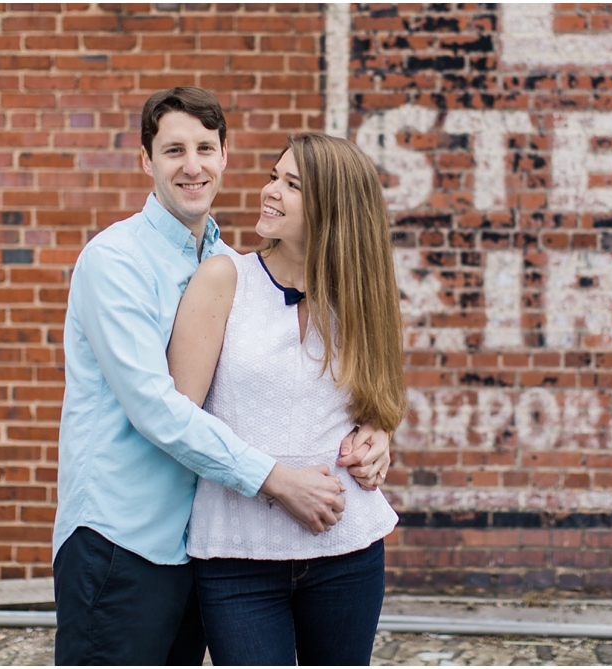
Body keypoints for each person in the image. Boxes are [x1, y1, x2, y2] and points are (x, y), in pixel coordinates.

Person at [52, 88, 392, 665]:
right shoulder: (115, 261)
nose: (192, 166)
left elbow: (295, 388)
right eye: (173, 150)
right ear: (146, 160)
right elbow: (158, 407)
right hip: (120, 538)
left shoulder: (225, 261)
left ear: (224, 155)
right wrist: (277, 480)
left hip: (192, 545)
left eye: (205, 148)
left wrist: (376, 430)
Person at [167, 133, 406, 665]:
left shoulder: (363, 294)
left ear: (332, 207)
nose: (269, 191)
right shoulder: (224, 279)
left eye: (292, 184)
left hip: (348, 550)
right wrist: (277, 482)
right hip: (237, 554)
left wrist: (380, 436)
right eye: (274, 176)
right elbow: (179, 421)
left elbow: (377, 399)